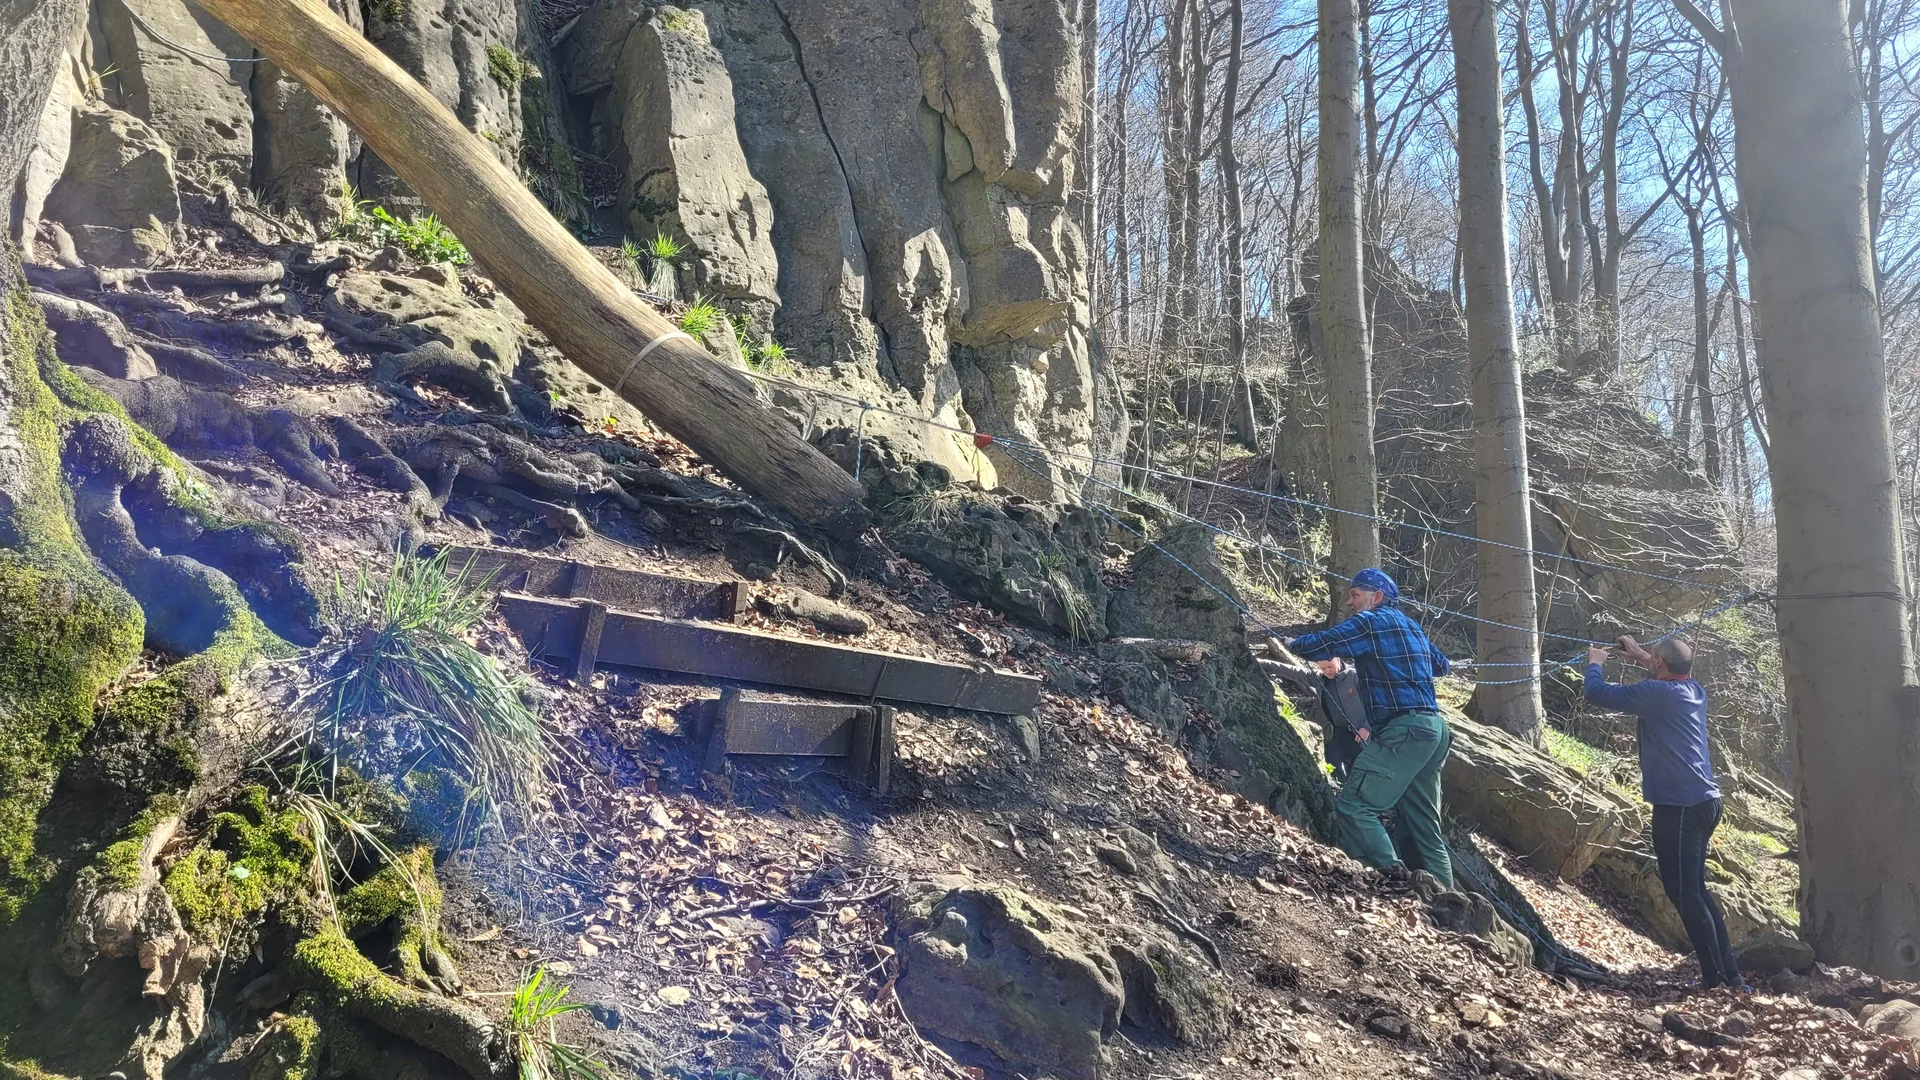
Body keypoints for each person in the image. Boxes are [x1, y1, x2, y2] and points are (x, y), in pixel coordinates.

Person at [1585, 634, 1746, 992]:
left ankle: (1716, 978)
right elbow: (1665, 671)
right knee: (1695, 891)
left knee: (1685, 894)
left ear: (1661, 665)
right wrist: (1643, 655)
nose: (1650, 660)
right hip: (1704, 802)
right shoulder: (1694, 690)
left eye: (1654, 657)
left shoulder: (1655, 694)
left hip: (1681, 807)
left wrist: (1595, 662)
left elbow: (1597, 694)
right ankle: (1729, 975)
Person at [1286, 568, 1454, 887]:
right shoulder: (1413, 627)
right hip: (1435, 731)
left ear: (1376, 598)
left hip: (1403, 730)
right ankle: (1449, 902)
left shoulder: (1370, 622)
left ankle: (1390, 877)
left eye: (1355, 595)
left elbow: (1329, 642)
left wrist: (1295, 643)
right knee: (1425, 826)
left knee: (1354, 805)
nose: (1349, 602)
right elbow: (1442, 665)